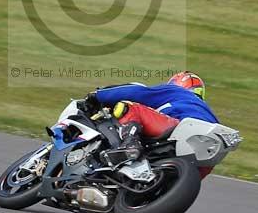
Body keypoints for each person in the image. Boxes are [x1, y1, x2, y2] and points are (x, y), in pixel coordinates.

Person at [80, 72, 218, 177]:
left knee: (130, 107)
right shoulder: (207, 111)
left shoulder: (176, 91)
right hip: (207, 149)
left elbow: (138, 92)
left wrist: (97, 95)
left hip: (178, 127)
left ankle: (130, 145)